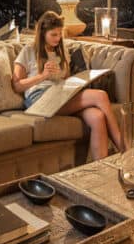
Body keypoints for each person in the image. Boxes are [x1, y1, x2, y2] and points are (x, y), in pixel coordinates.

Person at [12, 11, 127, 160]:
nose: (58, 38)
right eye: (53, 34)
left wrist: (77, 83)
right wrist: (42, 76)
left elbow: (64, 80)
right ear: (42, 33)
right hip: (39, 99)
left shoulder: (62, 51)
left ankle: (101, 168)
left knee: (97, 117)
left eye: (60, 34)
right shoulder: (29, 50)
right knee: (100, 96)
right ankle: (123, 148)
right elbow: (17, 85)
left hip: (60, 95)